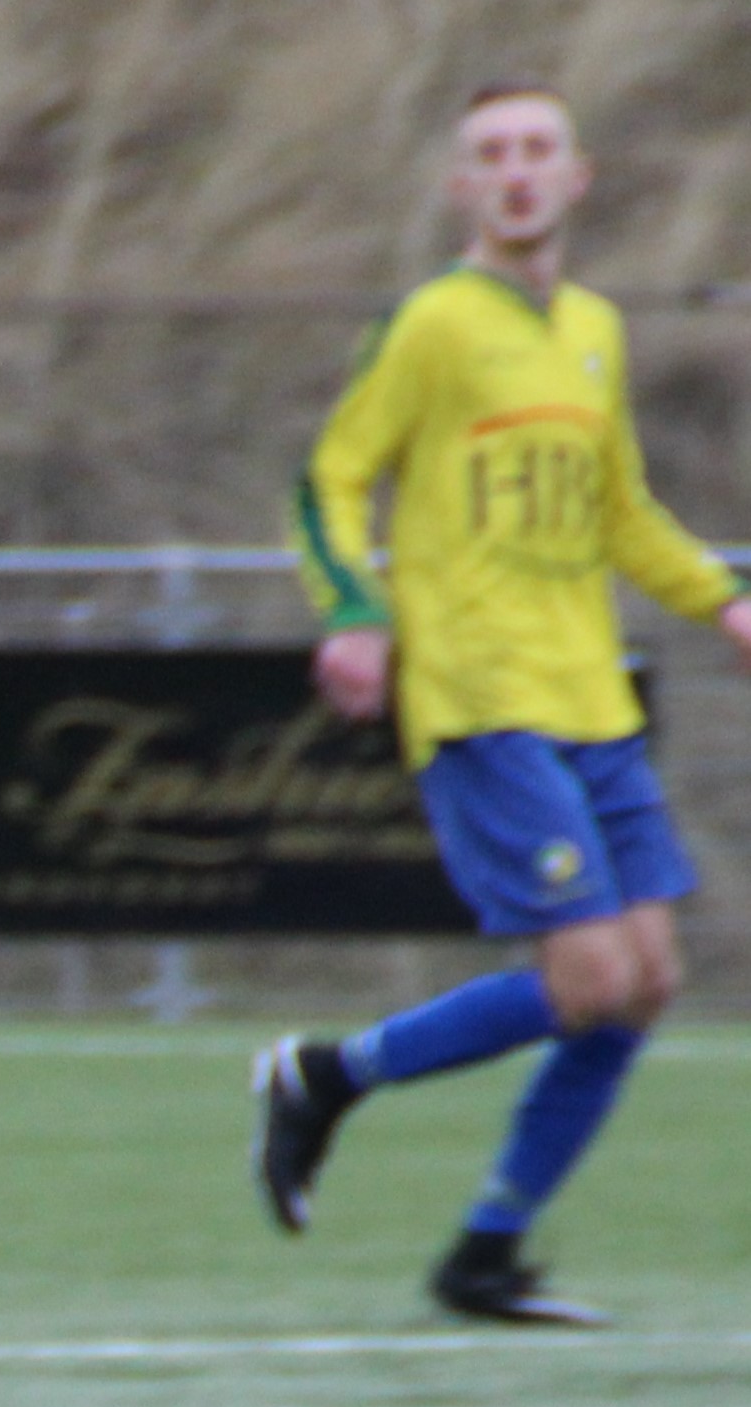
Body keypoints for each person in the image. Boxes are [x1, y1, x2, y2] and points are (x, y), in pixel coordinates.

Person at [259, 79, 751, 1323]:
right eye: (491, 154)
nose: (517, 171)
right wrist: (355, 616)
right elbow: (330, 480)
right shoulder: (429, 323)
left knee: (644, 978)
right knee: (587, 977)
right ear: (458, 188)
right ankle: (327, 1076)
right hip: (481, 689)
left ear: (577, 177)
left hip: (589, 687)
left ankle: (485, 1248)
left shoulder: (590, 326)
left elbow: (618, 509)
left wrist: (723, 601)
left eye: (538, 150)